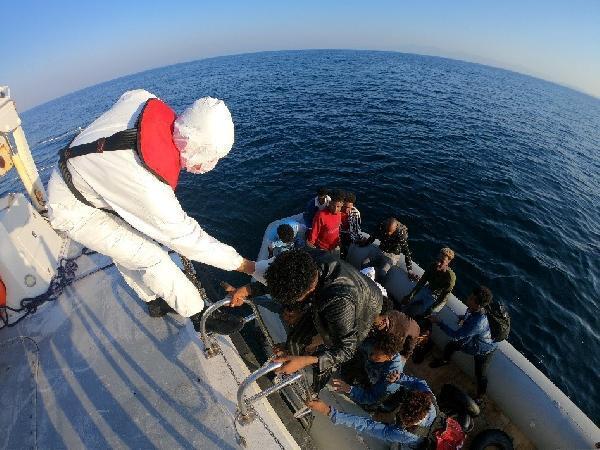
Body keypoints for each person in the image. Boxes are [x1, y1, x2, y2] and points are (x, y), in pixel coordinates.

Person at [46, 90, 255, 335]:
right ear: (197, 149)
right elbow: (190, 241)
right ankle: (199, 315)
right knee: (151, 256)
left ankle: (154, 303)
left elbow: (122, 103)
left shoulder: (142, 98)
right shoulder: (148, 187)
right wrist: (246, 266)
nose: (209, 164)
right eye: (210, 157)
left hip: (84, 181)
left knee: (126, 248)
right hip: (73, 210)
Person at [227, 249, 384, 392]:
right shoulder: (305, 258)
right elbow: (283, 279)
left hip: (362, 309)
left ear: (307, 290)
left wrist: (305, 360)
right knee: (297, 339)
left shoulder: (340, 304)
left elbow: (347, 348)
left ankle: (316, 388)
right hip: (342, 290)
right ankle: (292, 355)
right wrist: (248, 290)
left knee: (326, 350)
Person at [307, 385, 437, 449]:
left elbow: (368, 425)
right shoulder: (430, 405)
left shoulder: (406, 434)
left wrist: (329, 411)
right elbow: (419, 382)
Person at [429, 285, 497, 401]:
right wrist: (464, 319)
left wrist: (439, 322)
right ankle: (445, 360)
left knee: (480, 374)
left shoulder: (478, 323)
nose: (468, 298)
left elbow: (455, 335)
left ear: (478, 305)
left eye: (471, 298)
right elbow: (468, 315)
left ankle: (480, 397)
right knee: (451, 346)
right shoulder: (474, 309)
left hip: (484, 351)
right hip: (472, 340)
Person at [401, 247, 456, 318]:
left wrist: (431, 309)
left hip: (437, 297)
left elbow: (443, 297)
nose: (438, 263)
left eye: (442, 261)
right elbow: (421, 282)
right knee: (407, 303)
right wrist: (410, 295)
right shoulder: (432, 266)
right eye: (437, 259)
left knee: (421, 313)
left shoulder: (450, 277)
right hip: (428, 289)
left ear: (448, 262)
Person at [360, 217, 417, 282]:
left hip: (392, 255)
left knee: (382, 273)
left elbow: (406, 252)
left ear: (395, 228)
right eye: (386, 231)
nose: (388, 234)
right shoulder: (381, 226)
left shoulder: (401, 234)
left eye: (390, 232)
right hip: (380, 249)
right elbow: (373, 236)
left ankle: (378, 286)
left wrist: (410, 270)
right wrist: (364, 243)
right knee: (364, 263)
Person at [340, 192, 362, 258]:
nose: (347, 210)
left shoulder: (356, 213)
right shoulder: (337, 210)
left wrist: (358, 238)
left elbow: (357, 227)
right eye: (345, 207)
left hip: (348, 234)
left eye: (349, 207)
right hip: (337, 233)